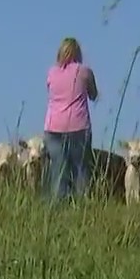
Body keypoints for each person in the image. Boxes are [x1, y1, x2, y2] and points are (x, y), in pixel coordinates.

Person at [43, 37, 99, 200]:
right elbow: (93, 94)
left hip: (53, 128)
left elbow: (51, 91)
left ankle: (59, 207)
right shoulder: (84, 71)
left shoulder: (51, 72)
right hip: (78, 127)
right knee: (80, 170)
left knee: (58, 170)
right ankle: (81, 206)